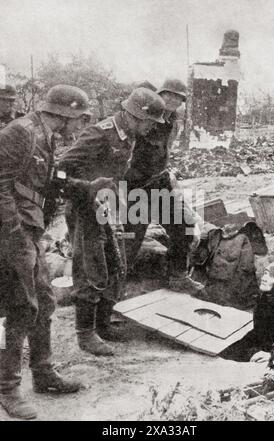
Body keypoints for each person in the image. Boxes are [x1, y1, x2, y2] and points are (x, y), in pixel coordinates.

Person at [0, 84, 102, 420]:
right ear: (67, 113)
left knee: (43, 301)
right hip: (12, 234)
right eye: (81, 119)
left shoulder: (44, 136)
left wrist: (86, 188)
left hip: (29, 231)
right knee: (19, 307)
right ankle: (7, 388)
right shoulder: (20, 133)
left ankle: (43, 374)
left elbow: (47, 183)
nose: (81, 127)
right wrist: (14, 238)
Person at [59, 87, 166, 355]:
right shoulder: (99, 133)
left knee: (115, 263)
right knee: (89, 266)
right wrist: (87, 189)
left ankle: (103, 324)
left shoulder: (128, 135)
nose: (152, 128)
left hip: (106, 207)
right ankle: (85, 334)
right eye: (150, 122)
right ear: (134, 116)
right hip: (85, 208)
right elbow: (59, 172)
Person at [124, 78, 203, 295]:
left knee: (184, 226)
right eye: (170, 95)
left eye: (179, 97)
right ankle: (116, 287)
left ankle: (178, 277)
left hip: (159, 183)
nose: (174, 100)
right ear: (161, 94)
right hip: (135, 187)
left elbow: (165, 151)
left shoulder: (174, 121)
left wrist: (168, 176)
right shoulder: (146, 117)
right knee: (131, 238)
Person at [220, 262, 274, 362]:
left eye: (271, 276)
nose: (264, 278)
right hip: (267, 344)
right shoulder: (266, 296)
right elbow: (259, 331)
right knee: (226, 352)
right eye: (265, 274)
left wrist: (273, 355)